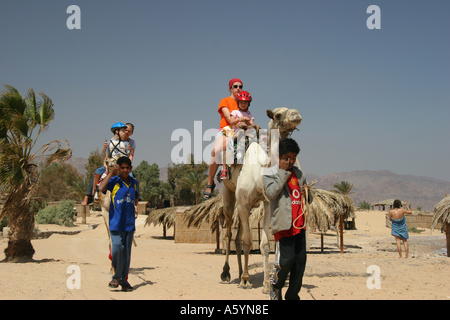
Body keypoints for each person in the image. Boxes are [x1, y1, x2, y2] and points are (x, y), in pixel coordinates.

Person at [263, 138, 313, 300]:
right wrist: (283, 172)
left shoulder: (299, 174)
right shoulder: (270, 173)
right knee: (288, 261)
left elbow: (308, 199)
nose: (290, 161)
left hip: (300, 225)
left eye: (293, 158)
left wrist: (307, 192)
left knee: (300, 264)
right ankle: (276, 285)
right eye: (286, 158)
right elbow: (271, 193)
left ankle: (292, 296)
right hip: (284, 225)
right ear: (279, 157)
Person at [204, 78, 251, 198]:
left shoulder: (243, 101)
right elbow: (229, 119)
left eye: (240, 86)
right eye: (235, 86)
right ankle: (210, 183)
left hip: (239, 131)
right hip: (226, 130)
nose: (238, 88)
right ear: (230, 88)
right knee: (216, 150)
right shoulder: (225, 101)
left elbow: (248, 117)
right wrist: (239, 121)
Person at [99, 156, 139, 291]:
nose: (125, 170)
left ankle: (123, 280)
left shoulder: (134, 182)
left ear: (131, 169)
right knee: (117, 248)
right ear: (119, 168)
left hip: (129, 225)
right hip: (115, 223)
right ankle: (116, 276)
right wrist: (111, 172)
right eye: (122, 168)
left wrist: (136, 206)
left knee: (127, 255)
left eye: (127, 168)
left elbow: (136, 196)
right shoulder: (114, 181)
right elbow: (101, 188)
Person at [81, 122, 132, 206]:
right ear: (116, 132)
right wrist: (105, 164)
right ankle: (94, 193)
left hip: (121, 165)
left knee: (132, 177)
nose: (125, 133)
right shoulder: (108, 143)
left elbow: (128, 156)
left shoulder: (126, 143)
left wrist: (128, 153)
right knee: (98, 172)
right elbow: (107, 156)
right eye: (123, 131)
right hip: (111, 164)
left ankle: (134, 202)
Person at [220, 90, 255, 179]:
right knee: (224, 147)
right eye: (241, 102)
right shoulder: (235, 112)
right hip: (234, 132)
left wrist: (247, 121)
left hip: (246, 133)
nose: (243, 104)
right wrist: (240, 119)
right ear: (238, 102)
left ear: (248, 104)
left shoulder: (249, 114)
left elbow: (252, 125)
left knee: (260, 140)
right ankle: (224, 169)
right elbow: (231, 121)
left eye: (245, 102)